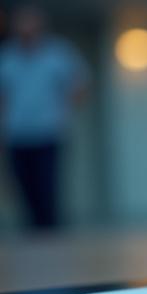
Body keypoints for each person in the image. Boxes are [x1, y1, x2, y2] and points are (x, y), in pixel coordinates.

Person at [0, 4, 87, 231]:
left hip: (49, 134)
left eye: (29, 20)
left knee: (47, 191)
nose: (25, 26)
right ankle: (33, 248)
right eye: (21, 21)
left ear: (40, 23)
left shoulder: (58, 53)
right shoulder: (7, 57)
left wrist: (63, 112)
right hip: (17, 136)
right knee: (24, 193)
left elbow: (79, 84)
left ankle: (52, 245)